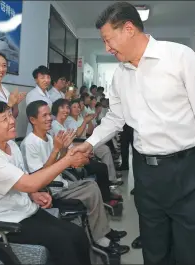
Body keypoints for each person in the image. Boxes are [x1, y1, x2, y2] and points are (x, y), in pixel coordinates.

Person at [70, 2, 195, 265]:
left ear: (128, 29)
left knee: (192, 252)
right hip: (146, 174)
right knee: (154, 250)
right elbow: (116, 117)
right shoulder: (120, 75)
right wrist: (89, 143)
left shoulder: (180, 58)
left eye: (108, 40)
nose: (107, 48)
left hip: (190, 170)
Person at [0, 99, 91, 265]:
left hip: (25, 210)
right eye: (4, 120)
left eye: (10, 115)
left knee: (77, 234)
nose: (12, 121)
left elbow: (23, 181)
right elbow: (30, 182)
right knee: (63, 242)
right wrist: (68, 160)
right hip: (4, 223)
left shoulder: (11, 145)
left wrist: (34, 194)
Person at [20, 100, 129, 255]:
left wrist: (64, 150)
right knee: (91, 190)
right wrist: (57, 150)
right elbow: (39, 177)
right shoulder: (29, 143)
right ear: (32, 120)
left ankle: (104, 232)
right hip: (50, 189)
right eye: (44, 115)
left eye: (49, 114)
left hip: (62, 181)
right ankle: (101, 240)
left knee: (92, 185)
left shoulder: (50, 138)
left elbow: (59, 162)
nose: (49, 118)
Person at [50, 99, 124, 207]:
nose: (66, 110)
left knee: (101, 164)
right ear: (56, 109)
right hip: (70, 158)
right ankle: (105, 197)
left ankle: (105, 194)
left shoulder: (63, 125)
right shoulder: (56, 126)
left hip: (74, 152)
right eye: (63, 108)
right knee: (101, 167)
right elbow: (64, 147)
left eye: (67, 107)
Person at [66, 99, 122, 186]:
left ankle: (111, 175)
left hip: (87, 141)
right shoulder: (69, 120)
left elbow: (90, 131)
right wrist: (85, 122)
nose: (77, 109)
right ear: (69, 109)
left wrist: (90, 120)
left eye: (78, 107)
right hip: (80, 144)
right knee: (104, 149)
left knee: (105, 148)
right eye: (74, 107)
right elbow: (77, 134)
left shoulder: (80, 118)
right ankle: (110, 177)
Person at [25, 65, 53, 135]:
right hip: (36, 132)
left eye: (48, 77)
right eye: (42, 78)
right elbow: (34, 117)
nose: (46, 80)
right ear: (36, 80)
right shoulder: (32, 95)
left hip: (46, 130)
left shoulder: (48, 94)